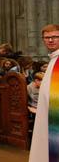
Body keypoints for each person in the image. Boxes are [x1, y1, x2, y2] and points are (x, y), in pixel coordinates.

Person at [30, 24, 59, 162]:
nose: (50, 40)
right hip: (48, 113)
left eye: (54, 37)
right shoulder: (54, 59)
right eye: (47, 38)